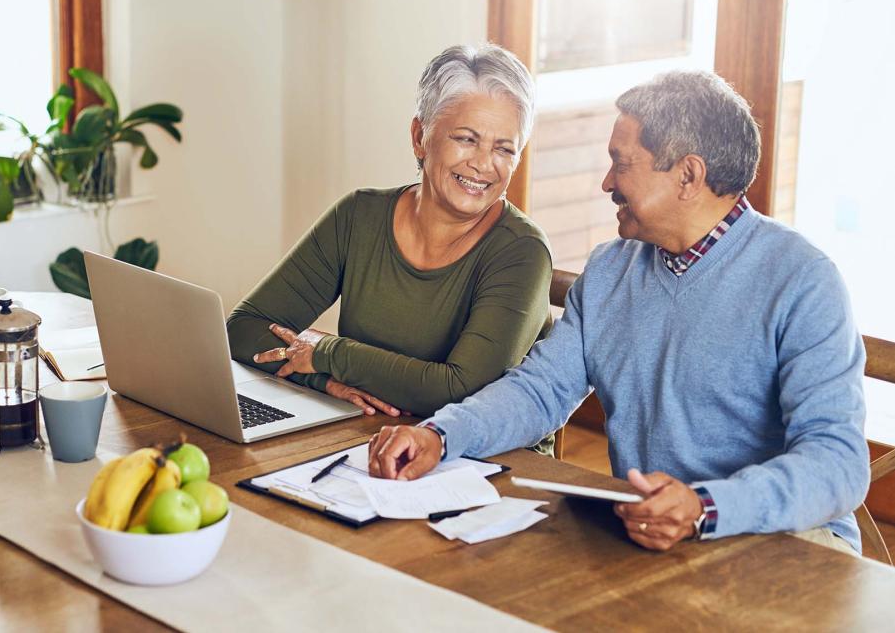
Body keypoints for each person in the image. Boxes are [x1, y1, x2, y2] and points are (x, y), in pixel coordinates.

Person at [367, 70, 870, 554]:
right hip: (651, 535)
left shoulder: (802, 280)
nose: (607, 182)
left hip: (784, 543)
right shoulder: (611, 269)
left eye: (621, 162)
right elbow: (540, 390)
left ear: (688, 175)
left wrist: (703, 508)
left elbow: (838, 465)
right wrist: (440, 434)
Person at [226, 44, 554, 449]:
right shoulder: (358, 216)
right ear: (420, 137)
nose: (484, 165)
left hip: (485, 463)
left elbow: (463, 391)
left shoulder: (522, 252)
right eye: (467, 139)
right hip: (369, 438)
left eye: (505, 148)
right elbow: (243, 329)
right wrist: (322, 379)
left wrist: (330, 353)